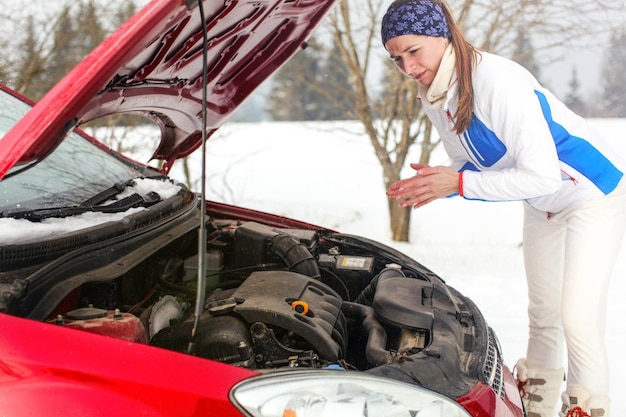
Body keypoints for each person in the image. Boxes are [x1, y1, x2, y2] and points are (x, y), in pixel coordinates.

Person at [381, 1, 626, 416]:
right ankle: (539, 407)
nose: (406, 66)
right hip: (541, 203)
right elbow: (471, 162)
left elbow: (543, 174)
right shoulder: (435, 93)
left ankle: (586, 407)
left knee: (577, 317)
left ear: (442, 36)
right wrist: (441, 181)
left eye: (413, 51)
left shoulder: (497, 79)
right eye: (396, 58)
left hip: (591, 193)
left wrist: (457, 183)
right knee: (542, 313)